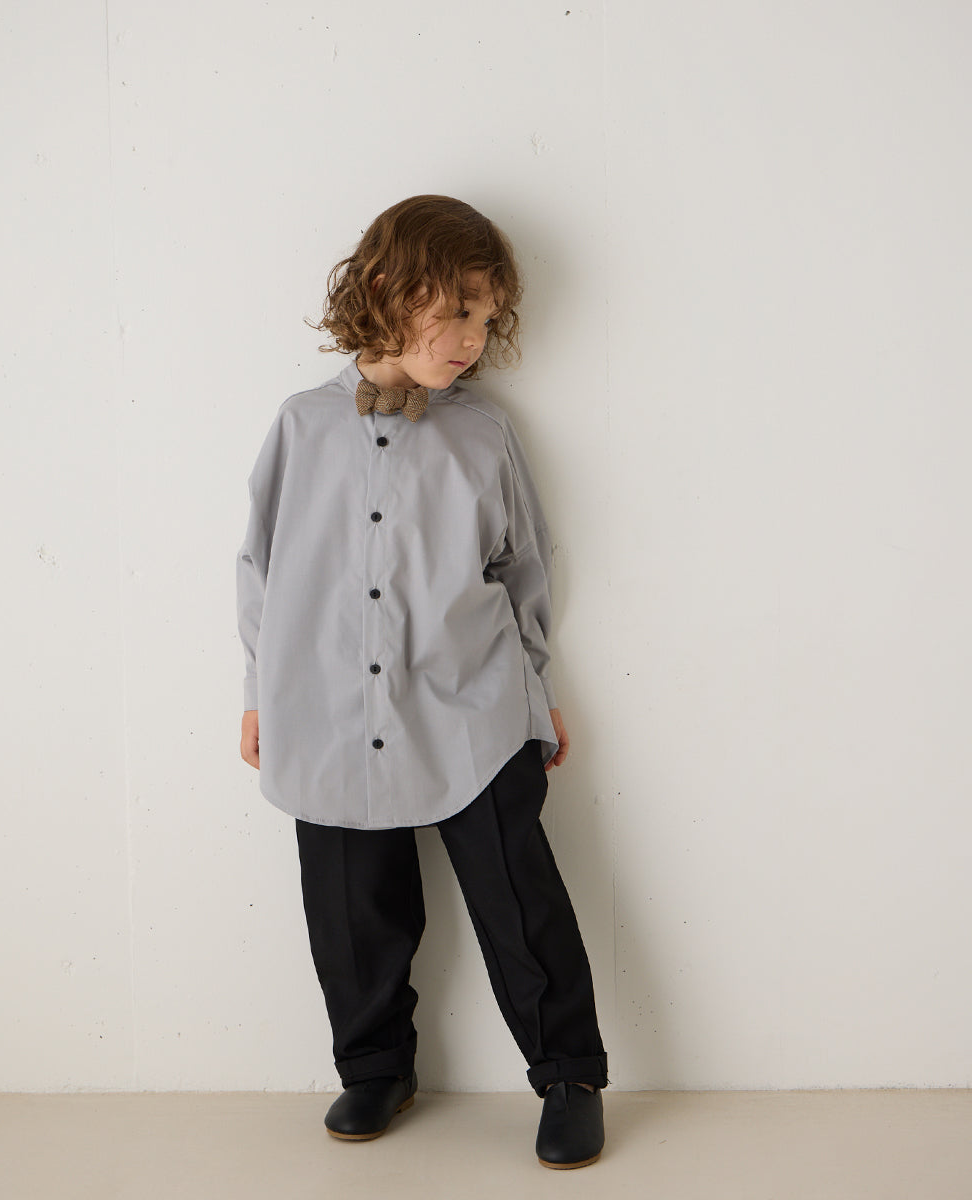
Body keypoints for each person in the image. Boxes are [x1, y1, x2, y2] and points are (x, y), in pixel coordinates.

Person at [236, 195, 608, 1169]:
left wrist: (535, 691)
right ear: (391, 290)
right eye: (458, 311)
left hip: (471, 704)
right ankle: (373, 1070)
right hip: (326, 705)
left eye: (488, 318)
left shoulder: (482, 434)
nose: (474, 339)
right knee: (351, 907)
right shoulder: (301, 427)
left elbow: (523, 569)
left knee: (518, 898)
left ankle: (569, 1075)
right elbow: (262, 567)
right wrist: (257, 692)